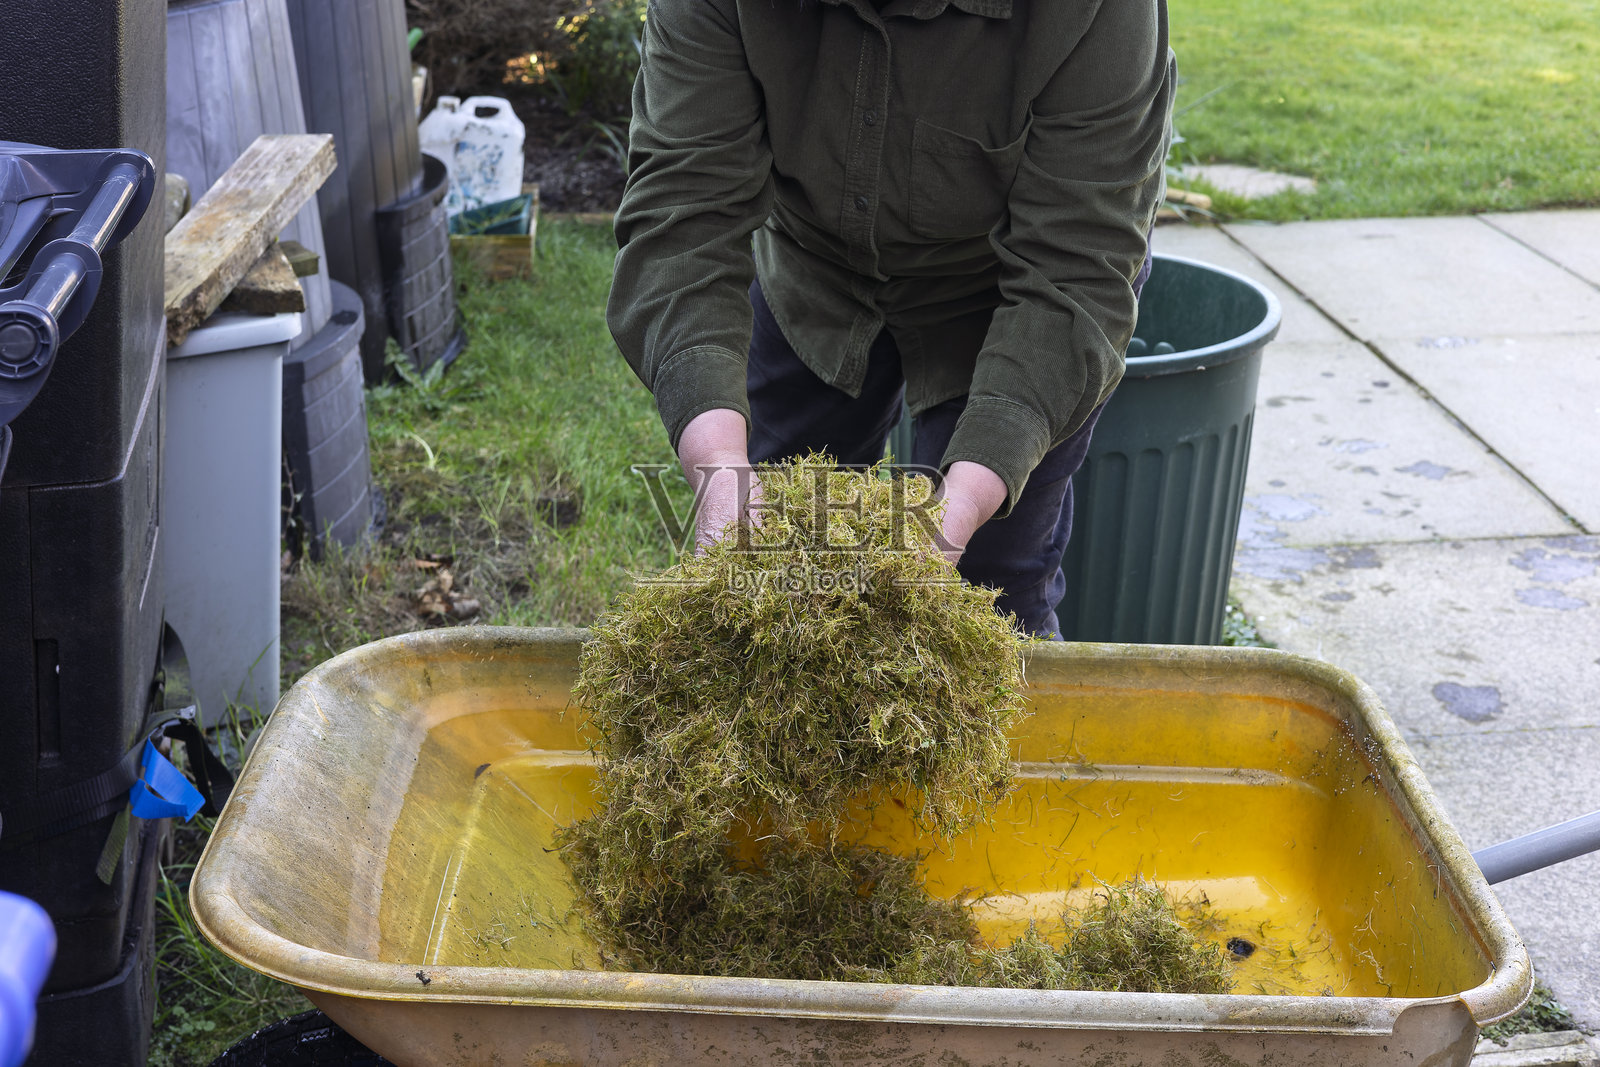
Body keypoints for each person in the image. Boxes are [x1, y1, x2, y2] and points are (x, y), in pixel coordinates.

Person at [607, 0, 1174, 637]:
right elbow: (683, 216)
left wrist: (954, 519)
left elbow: (1074, 265)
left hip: (1018, 300)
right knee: (772, 560)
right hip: (812, 270)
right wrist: (717, 466)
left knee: (987, 590)